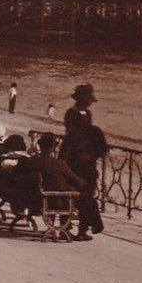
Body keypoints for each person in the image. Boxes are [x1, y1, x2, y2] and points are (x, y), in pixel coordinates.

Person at [60, 84, 108, 240]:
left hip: (86, 160)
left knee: (85, 193)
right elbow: (73, 135)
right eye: (87, 100)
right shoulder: (72, 114)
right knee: (71, 192)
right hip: (74, 158)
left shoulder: (86, 113)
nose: (89, 103)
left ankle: (82, 229)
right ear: (81, 99)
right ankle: (66, 226)